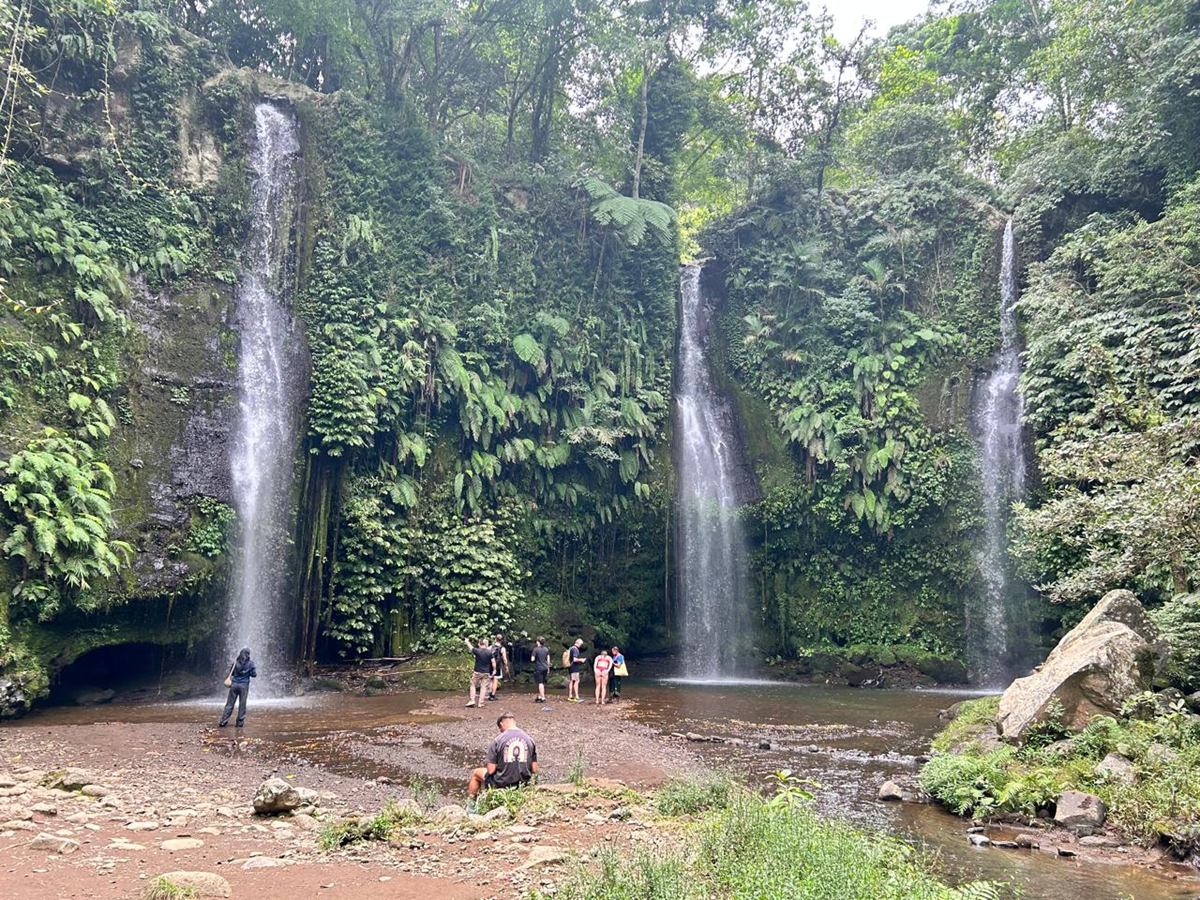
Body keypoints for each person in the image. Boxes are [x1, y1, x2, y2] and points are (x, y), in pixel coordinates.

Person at [468, 712, 538, 801]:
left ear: (501, 724)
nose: (501, 731)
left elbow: (490, 770)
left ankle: (471, 805)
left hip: (502, 782)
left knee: (476, 773)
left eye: (500, 729)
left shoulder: (498, 740)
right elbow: (535, 769)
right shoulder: (530, 740)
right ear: (514, 722)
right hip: (523, 782)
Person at [218, 647, 256, 728]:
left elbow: (231, 673)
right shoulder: (251, 663)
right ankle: (239, 723)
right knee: (242, 705)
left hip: (234, 685)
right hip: (244, 686)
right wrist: (246, 672)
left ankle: (223, 722)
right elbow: (254, 674)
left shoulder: (235, 662)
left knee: (229, 704)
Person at [464, 636, 496, 707]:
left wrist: (467, 641)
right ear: (486, 644)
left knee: (473, 685)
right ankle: (480, 703)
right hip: (486, 672)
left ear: (480, 644)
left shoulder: (477, 651)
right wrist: (494, 670)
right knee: (483, 687)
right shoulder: (489, 653)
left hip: (477, 671)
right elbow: (493, 662)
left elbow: (470, 647)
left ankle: (472, 700)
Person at [486, 633, 509, 702]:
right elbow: (504, 658)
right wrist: (506, 666)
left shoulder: (490, 647)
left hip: (490, 665)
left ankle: (489, 693)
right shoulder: (502, 648)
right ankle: (492, 695)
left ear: (495, 639)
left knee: (490, 679)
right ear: (502, 640)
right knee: (495, 680)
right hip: (498, 665)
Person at [531, 636, 551, 703]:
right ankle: (539, 696)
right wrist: (548, 667)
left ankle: (543, 697)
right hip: (545, 667)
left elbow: (532, 659)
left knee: (540, 683)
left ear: (538, 642)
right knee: (542, 682)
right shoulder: (546, 649)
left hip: (539, 668)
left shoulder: (536, 649)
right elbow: (548, 659)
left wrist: (534, 657)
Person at [567, 639, 587, 703]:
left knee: (572, 681)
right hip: (574, 667)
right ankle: (576, 696)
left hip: (570, 666)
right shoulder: (575, 650)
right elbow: (575, 659)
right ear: (578, 643)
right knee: (576, 681)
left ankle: (570, 695)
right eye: (581, 644)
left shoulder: (571, 648)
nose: (581, 646)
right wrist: (581, 660)